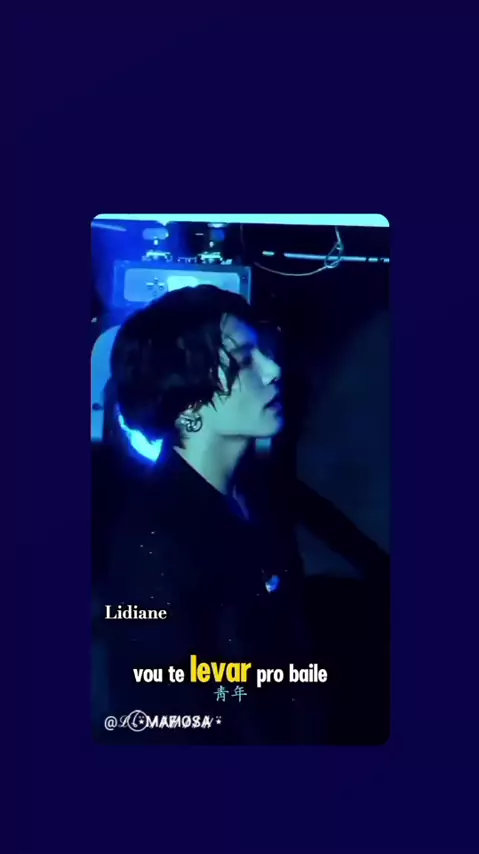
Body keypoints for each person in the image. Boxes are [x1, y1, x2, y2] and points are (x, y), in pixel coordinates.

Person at [97, 285, 324, 744]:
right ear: (189, 406)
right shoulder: (156, 541)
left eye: (263, 353)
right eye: (244, 360)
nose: (273, 370)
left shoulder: (256, 499)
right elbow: (164, 715)